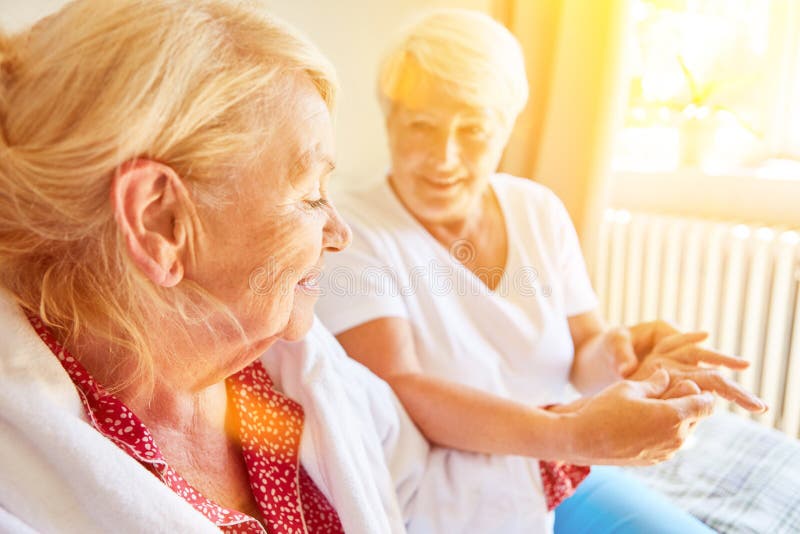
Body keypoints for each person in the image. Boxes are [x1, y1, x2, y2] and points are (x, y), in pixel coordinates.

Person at [315, 8, 767, 533]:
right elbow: (403, 387)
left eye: (474, 130)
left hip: (558, 474)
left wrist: (625, 359)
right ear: (389, 118)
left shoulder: (538, 210)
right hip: (442, 497)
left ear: (507, 128)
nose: (444, 156)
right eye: (421, 125)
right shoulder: (352, 231)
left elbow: (586, 352)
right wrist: (576, 436)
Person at [0, 1, 432, 532]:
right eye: (309, 196)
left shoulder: (294, 364)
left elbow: (431, 493)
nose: (341, 235)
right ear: (159, 221)